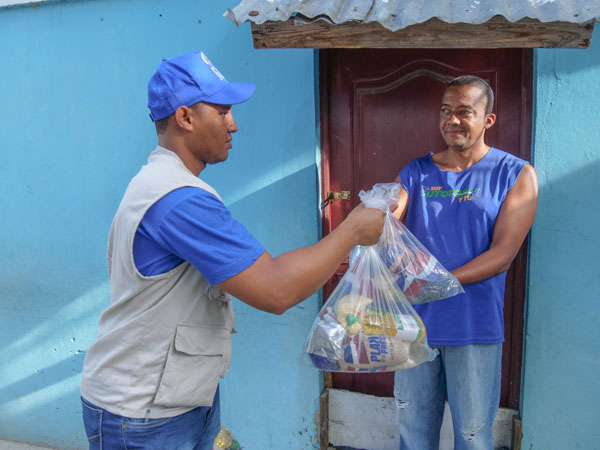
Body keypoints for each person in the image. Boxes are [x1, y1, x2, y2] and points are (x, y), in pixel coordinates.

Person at [79, 50, 384, 450]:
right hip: (145, 416)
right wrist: (351, 231)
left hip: (175, 400)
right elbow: (275, 290)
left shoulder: (166, 184)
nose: (234, 124)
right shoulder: (179, 200)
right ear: (185, 118)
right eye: (222, 111)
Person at [392, 75, 538, 450]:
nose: (451, 121)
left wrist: (436, 282)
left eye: (463, 112)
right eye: (445, 111)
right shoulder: (416, 173)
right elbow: (387, 223)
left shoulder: (516, 174)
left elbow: (502, 255)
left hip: (473, 327)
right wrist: (375, 217)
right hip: (415, 329)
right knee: (413, 437)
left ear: (488, 119)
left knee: (473, 439)